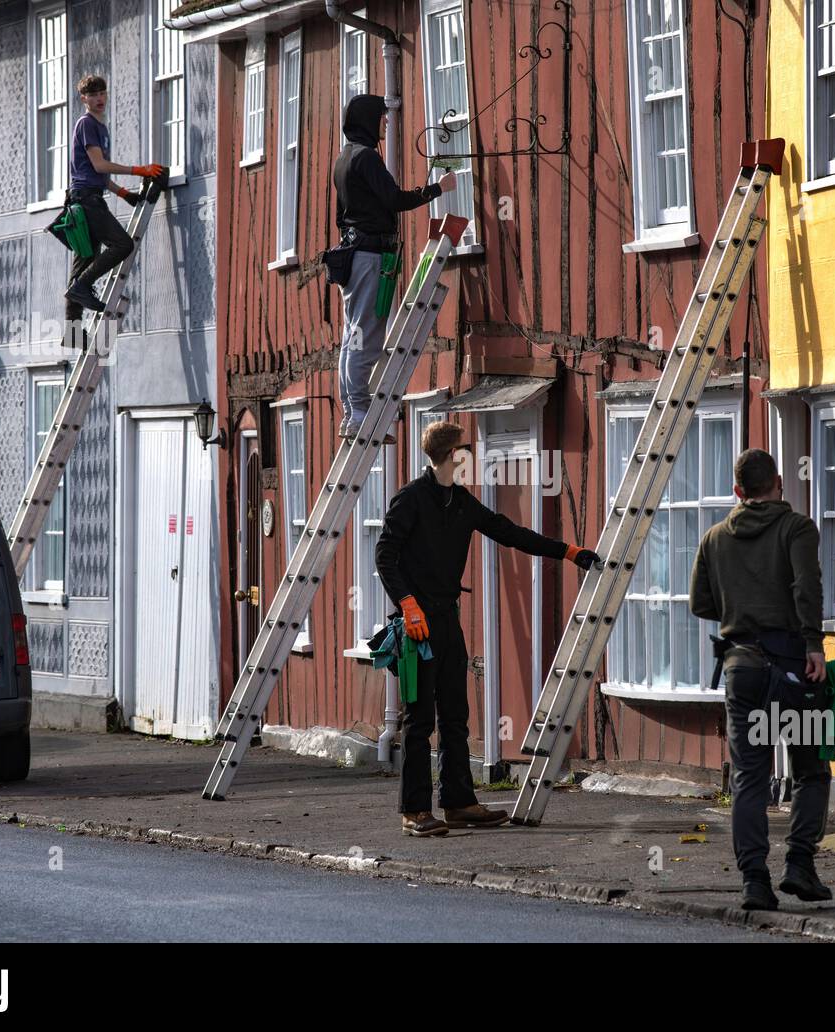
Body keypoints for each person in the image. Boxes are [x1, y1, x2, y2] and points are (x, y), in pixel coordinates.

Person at [376, 421, 599, 837]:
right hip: (416, 629)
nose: (471, 458)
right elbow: (384, 555)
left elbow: (508, 532)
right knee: (419, 721)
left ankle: (459, 803)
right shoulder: (410, 500)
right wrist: (407, 605)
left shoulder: (460, 502)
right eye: (466, 451)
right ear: (452, 456)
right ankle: (414, 811)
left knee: (456, 717)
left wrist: (568, 552)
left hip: (446, 621)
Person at [689, 448, 832, 911]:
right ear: (778, 484)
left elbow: (701, 605)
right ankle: (799, 865)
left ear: (737, 491)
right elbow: (806, 587)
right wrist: (814, 645)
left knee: (751, 778)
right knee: (811, 769)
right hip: (794, 667)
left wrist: (738, 608)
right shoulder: (797, 528)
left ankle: (754, 880)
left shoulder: (713, 539)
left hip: (742, 668)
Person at [334, 94, 456, 443]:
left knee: (353, 334)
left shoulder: (344, 159)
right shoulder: (367, 158)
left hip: (354, 254)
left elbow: (341, 217)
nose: (386, 122)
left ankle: (351, 409)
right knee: (367, 333)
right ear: (368, 120)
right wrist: (437, 189)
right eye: (381, 117)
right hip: (369, 256)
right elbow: (394, 199)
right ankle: (358, 410)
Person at [63, 74, 165, 321]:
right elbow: (99, 166)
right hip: (86, 200)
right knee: (122, 245)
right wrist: (138, 170)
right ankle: (82, 288)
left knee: (83, 264)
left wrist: (123, 194)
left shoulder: (100, 127)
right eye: (93, 95)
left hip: (86, 197)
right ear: (83, 98)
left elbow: (99, 175)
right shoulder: (87, 124)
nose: (99, 98)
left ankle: (73, 334)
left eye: (102, 93)